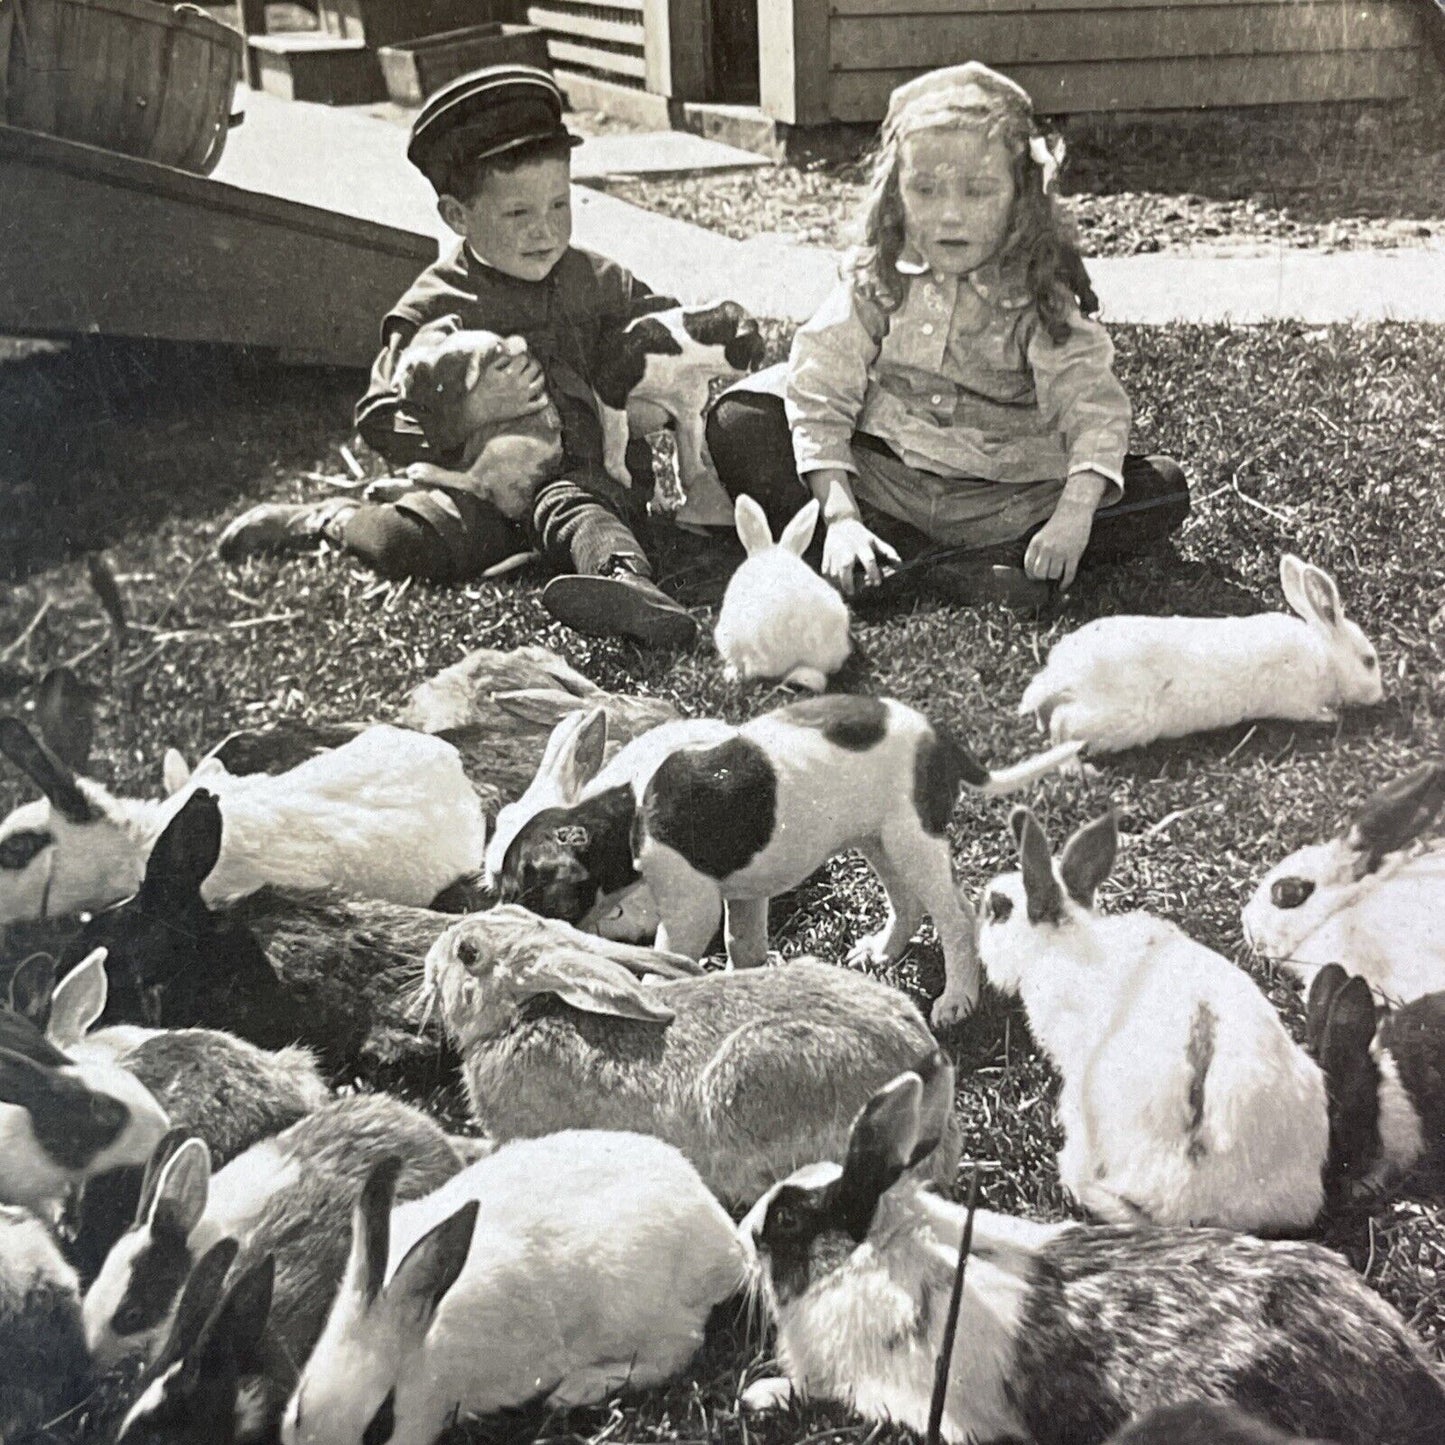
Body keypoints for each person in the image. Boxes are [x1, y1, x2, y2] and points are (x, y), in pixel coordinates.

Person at [219, 65, 697, 648]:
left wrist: (659, 379)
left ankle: (625, 586)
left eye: (559, 205)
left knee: (579, 509)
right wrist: (466, 414)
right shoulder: (437, 302)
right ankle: (336, 519)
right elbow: (379, 411)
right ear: (456, 216)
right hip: (479, 489)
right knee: (405, 543)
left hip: (587, 477)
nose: (545, 232)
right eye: (518, 214)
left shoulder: (598, 279)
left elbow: (671, 335)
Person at [705, 61, 1189, 609]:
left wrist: (1073, 517)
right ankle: (928, 563)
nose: (949, 216)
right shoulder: (878, 274)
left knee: (1161, 487)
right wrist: (840, 516)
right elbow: (820, 386)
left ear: (1020, 196)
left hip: (1001, 495)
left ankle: (917, 568)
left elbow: (1091, 409)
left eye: (978, 191)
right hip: (882, 477)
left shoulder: (1038, 289)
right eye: (926, 190)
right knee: (739, 419)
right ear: (895, 194)